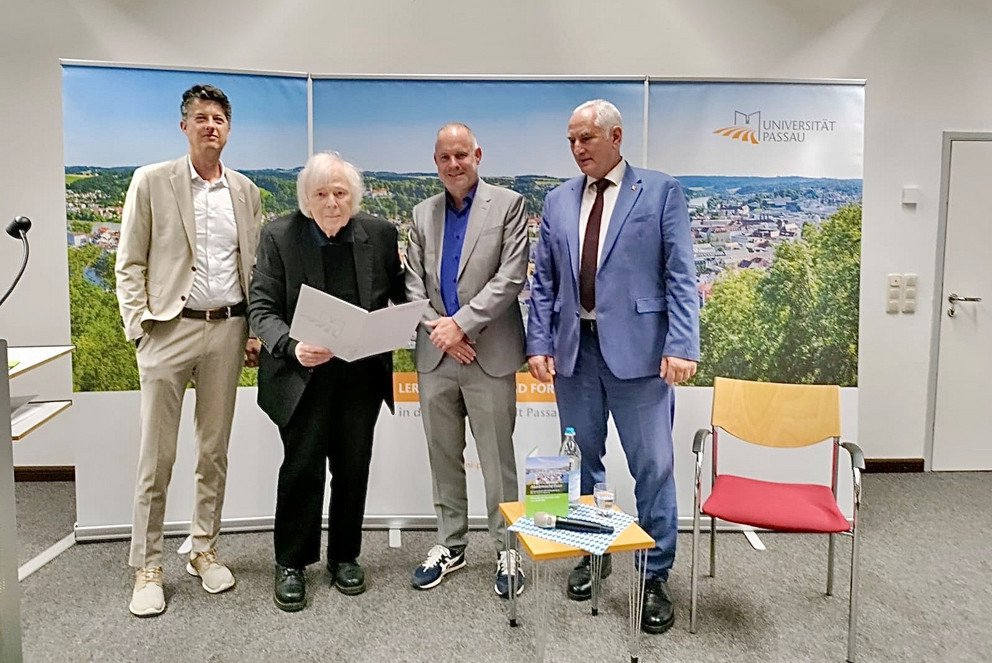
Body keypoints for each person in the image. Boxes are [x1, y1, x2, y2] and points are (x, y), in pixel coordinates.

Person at [526, 99, 700, 634]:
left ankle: (654, 576)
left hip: (643, 357)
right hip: (575, 354)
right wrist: (538, 342)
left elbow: (680, 274)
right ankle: (591, 551)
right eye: (571, 141)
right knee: (580, 460)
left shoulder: (660, 190)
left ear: (616, 136)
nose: (577, 149)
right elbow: (544, 282)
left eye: (586, 139)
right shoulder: (557, 200)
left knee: (653, 467)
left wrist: (682, 343)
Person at [115, 84, 262, 617]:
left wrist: (252, 330)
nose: (210, 126)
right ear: (184, 126)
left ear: (228, 127)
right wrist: (140, 329)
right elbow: (129, 262)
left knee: (213, 450)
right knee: (157, 456)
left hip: (227, 331)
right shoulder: (151, 182)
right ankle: (148, 564)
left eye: (219, 118)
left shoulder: (245, 191)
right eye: (200, 118)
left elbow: (252, 267)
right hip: (167, 331)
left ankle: (204, 548)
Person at [248, 152, 405, 612]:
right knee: (302, 468)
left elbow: (398, 293)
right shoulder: (279, 236)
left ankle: (344, 556)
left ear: (353, 197)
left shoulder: (379, 233)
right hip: (302, 375)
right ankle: (292, 563)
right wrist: (293, 346)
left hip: (360, 374)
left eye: (340, 193)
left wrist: (403, 320)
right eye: (321, 194)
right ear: (306, 199)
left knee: (354, 468)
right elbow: (262, 309)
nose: (332, 202)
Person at [405, 123, 529, 597]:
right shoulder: (421, 213)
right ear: (435, 162)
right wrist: (442, 330)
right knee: (443, 455)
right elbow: (411, 285)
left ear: (478, 154)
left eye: (462, 155)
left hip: (488, 353)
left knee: (497, 460)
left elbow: (511, 276)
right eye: (444, 158)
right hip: (436, 355)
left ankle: (506, 548)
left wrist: (462, 325)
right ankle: (450, 543)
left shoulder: (510, 205)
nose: (454, 164)